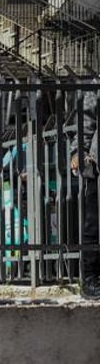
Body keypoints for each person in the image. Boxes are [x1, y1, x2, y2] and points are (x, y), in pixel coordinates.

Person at [74, 89, 99, 299]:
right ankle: (90, 279)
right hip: (98, 168)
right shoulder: (96, 84)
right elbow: (87, 120)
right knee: (94, 225)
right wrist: (80, 152)